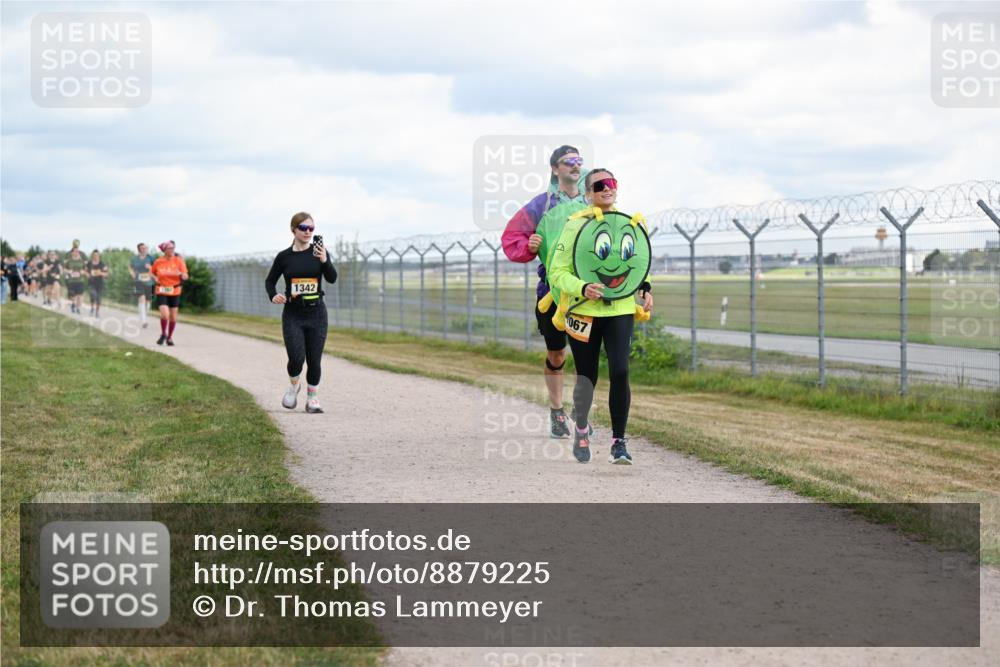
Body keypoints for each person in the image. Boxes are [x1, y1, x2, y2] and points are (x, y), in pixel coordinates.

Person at [548, 169, 653, 465]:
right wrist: (582, 287)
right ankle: (581, 427)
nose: (607, 189)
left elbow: (638, 263)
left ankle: (619, 442)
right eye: (600, 185)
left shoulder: (629, 224)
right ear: (588, 193)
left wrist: (645, 287)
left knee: (620, 371)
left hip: (620, 308)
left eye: (612, 184)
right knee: (587, 376)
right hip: (583, 311)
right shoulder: (574, 226)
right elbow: (557, 271)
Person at [502, 145, 589, 439]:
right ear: (555, 169)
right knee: (557, 354)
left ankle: (581, 415)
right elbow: (513, 235)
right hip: (551, 292)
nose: (575, 166)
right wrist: (531, 245)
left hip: (587, 292)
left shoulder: (593, 200)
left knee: (586, 353)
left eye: (578, 161)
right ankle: (556, 411)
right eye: (568, 162)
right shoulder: (543, 204)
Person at [265, 212, 337, 414]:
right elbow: (270, 281)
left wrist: (324, 261)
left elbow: (332, 278)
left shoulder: (319, 252)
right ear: (293, 229)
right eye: (303, 228)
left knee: (314, 359)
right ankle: (294, 385)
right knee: (296, 358)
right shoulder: (284, 257)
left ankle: (313, 398)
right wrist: (273, 295)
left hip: (317, 313)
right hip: (293, 314)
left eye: (311, 229)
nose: (308, 232)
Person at [150, 240, 188, 346]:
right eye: (169, 249)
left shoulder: (179, 261)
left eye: (173, 248)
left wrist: (182, 275)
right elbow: (152, 273)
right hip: (161, 289)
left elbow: (186, 275)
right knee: (165, 315)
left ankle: (169, 337)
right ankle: (163, 333)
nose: (172, 250)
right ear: (164, 250)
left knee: (173, 317)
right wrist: (155, 278)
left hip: (175, 290)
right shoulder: (158, 261)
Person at [128, 243, 156, 328]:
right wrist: (132, 273)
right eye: (142, 248)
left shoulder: (150, 258)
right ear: (139, 249)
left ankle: (143, 315)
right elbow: (130, 266)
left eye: (145, 248)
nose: (144, 249)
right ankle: (144, 321)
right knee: (142, 299)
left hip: (149, 282)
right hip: (138, 281)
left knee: (148, 302)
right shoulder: (135, 258)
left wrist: (150, 267)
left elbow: (156, 267)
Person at [63, 242, 87, 315]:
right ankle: (73, 304)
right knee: (73, 295)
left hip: (80, 280)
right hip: (72, 281)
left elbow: (85, 269)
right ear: (72, 252)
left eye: (77, 251)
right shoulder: (69, 261)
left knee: (79, 295)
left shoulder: (81, 261)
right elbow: (64, 270)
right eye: (75, 251)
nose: (76, 252)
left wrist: (83, 271)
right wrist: (68, 271)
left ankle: (78, 308)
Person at [87, 249, 109, 318]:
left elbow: (106, 274)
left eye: (97, 255)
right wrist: (87, 274)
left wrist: (100, 273)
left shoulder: (102, 264)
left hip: (100, 283)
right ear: (92, 256)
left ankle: (97, 312)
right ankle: (92, 308)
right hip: (92, 283)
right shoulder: (89, 264)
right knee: (93, 296)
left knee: (99, 299)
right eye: (94, 255)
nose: (96, 256)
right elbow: (85, 271)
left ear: (99, 256)